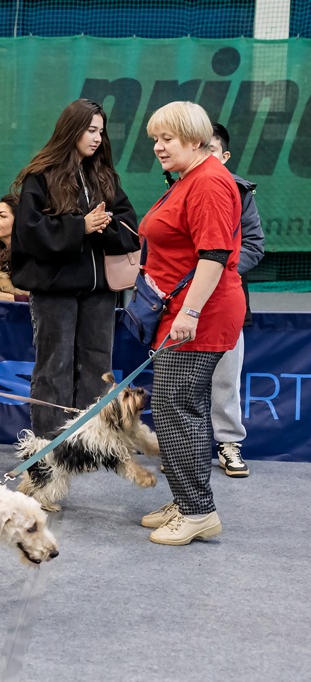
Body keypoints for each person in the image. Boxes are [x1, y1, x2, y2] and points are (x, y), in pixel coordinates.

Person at [139, 101, 244, 546]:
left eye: (168, 138)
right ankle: (187, 499)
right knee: (181, 409)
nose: (160, 147)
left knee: (174, 408)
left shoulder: (208, 184)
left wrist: (190, 312)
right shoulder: (190, 179)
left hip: (200, 316)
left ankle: (198, 510)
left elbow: (215, 255)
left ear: (195, 138)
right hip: (181, 312)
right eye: (156, 139)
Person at [10, 98, 139, 438]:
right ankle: (50, 442)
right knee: (54, 365)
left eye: (100, 130)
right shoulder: (40, 176)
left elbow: (128, 224)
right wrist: (80, 227)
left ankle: (91, 439)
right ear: (71, 130)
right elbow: (30, 232)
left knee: (98, 363)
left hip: (99, 291)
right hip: (54, 290)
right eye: (89, 130)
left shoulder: (105, 176)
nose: (96, 137)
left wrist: (102, 225)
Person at [206, 123, 264, 478]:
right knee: (185, 383)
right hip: (182, 308)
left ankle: (228, 443)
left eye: (211, 149)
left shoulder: (240, 193)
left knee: (226, 380)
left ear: (225, 156)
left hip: (228, 302)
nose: (205, 156)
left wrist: (216, 271)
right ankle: (187, 449)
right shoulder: (177, 188)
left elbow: (254, 245)